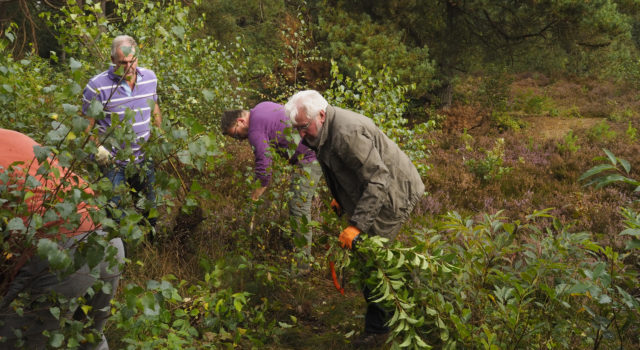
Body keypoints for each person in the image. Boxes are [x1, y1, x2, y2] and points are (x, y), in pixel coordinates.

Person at [284, 90, 425, 347]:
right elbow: (345, 168)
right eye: (297, 129)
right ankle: (405, 301)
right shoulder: (323, 131)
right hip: (377, 191)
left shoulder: (346, 134)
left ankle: (379, 331)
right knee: (373, 258)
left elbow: (378, 180)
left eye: (303, 127)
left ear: (322, 115)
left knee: (371, 259)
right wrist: (339, 195)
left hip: (394, 194)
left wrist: (356, 226)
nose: (301, 135)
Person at [0, 128, 125, 350]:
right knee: (89, 339)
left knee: (14, 341)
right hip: (106, 239)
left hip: (63, 250)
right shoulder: (13, 137)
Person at [221, 102, 322, 271]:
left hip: (309, 156)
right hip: (312, 150)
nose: (238, 140)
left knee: (298, 207)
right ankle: (295, 247)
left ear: (240, 121)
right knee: (299, 202)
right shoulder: (262, 107)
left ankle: (302, 267)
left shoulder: (254, 130)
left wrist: (254, 198)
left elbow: (264, 168)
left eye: (236, 136)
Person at [82, 35, 161, 234]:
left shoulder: (150, 78)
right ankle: (117, 253)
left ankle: (150, 247)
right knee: (111, 213)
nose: (128, 66)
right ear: (112, 60)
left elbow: (155, 107)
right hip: (113, 163)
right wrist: (97, 149)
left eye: (132, 61)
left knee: (149, 209)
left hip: (143, 159)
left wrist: (158, 134)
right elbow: (85, 126)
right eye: (123, 62)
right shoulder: (97, 86)